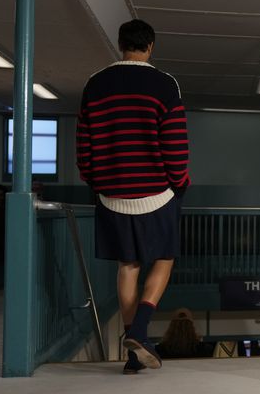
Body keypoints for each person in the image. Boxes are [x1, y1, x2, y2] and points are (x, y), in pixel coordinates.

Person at [77, 19, 190, 374]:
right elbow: (174, 143)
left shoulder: (95, 84)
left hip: (111, 194)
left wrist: (96, 183)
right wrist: (179, 183)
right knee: (165, 258)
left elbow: (84, 145)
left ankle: (132, 356)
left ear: (120, 44)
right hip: (156, 193)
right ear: (151, 47)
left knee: (128, 266)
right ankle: (140, 331)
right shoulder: (164, 84)